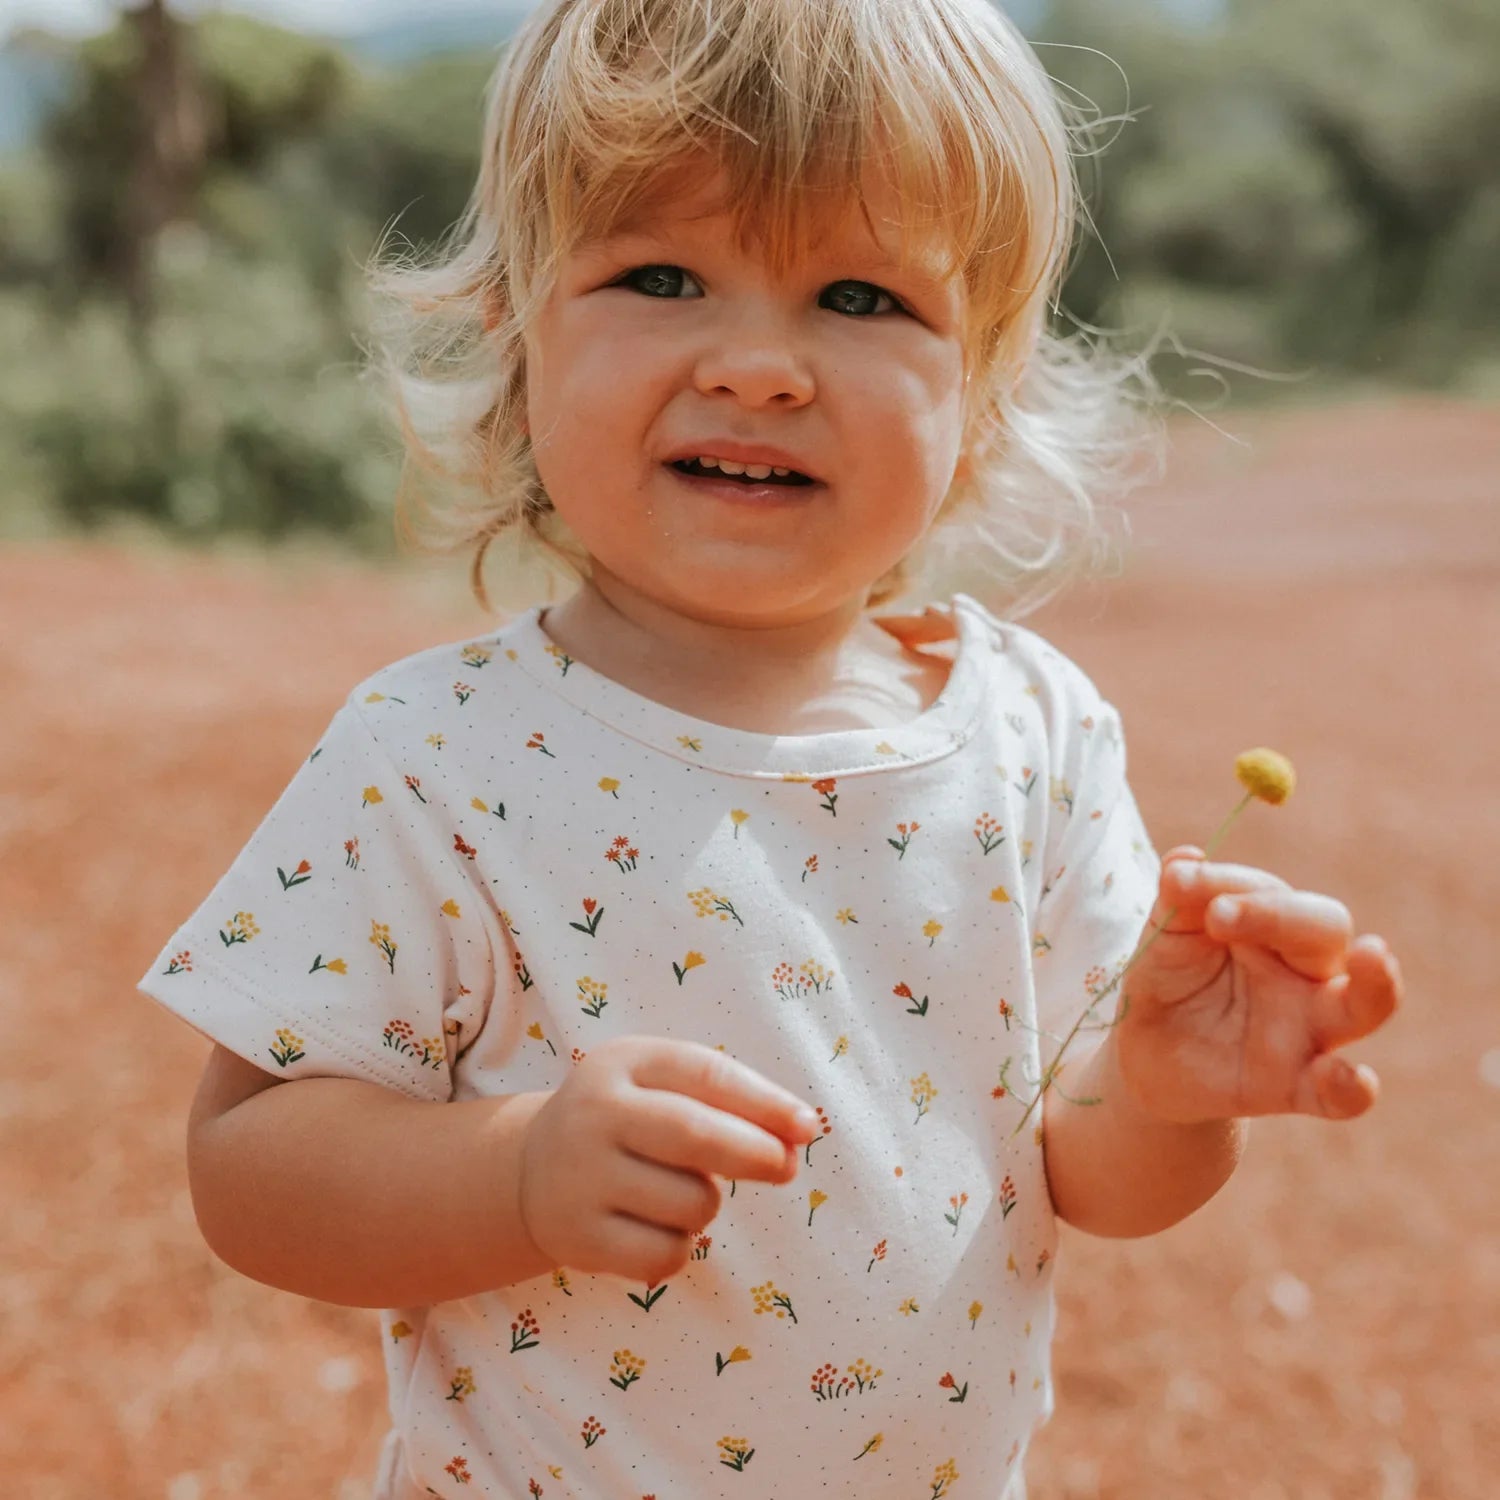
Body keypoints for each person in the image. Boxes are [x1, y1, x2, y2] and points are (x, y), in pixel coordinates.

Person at [138, 1, 1403, 1495]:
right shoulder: (439, 753)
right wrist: (517, 1175)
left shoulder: (1033, 733)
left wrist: (1169, 1092)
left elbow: (1091, 1176)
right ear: (515, 337)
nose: (758, 366)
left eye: (861, 298)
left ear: (982, 396)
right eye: (660, 275)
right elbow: (250, 1163)